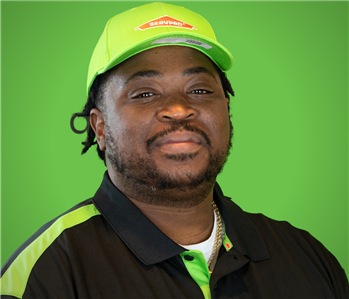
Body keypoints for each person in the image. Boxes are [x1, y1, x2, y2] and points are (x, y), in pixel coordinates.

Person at [0, 2, 348, 298]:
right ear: (100, 127)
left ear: (226, 111)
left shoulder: (306, 256)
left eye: (198, 90)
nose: (179, 109)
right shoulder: (47, 271)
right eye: (145, 93)